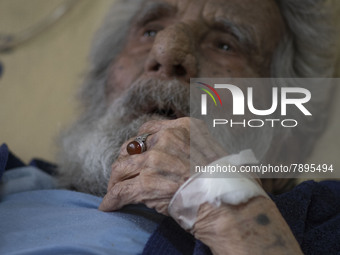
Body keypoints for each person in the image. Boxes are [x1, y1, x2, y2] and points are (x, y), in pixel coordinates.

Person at [0, 0, 339, 254]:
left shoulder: (323, 220)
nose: (166, 51)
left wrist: (229, 205)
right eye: (149, 31)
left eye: (225, 44)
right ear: (97, 88)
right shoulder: (13, 184)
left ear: (284, 139)